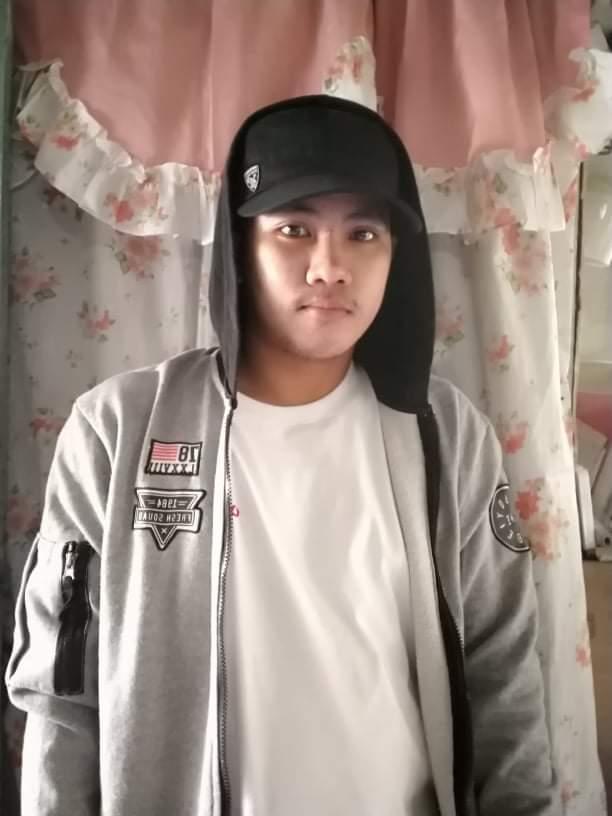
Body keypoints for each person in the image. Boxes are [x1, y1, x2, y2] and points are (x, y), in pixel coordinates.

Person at [6, 95, 559, 816]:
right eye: (294, 229)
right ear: (242, 248)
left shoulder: (446, 434)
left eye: (364, 233)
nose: (330, 267)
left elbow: (504, 673)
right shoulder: (118, 429)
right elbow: (61, 688)